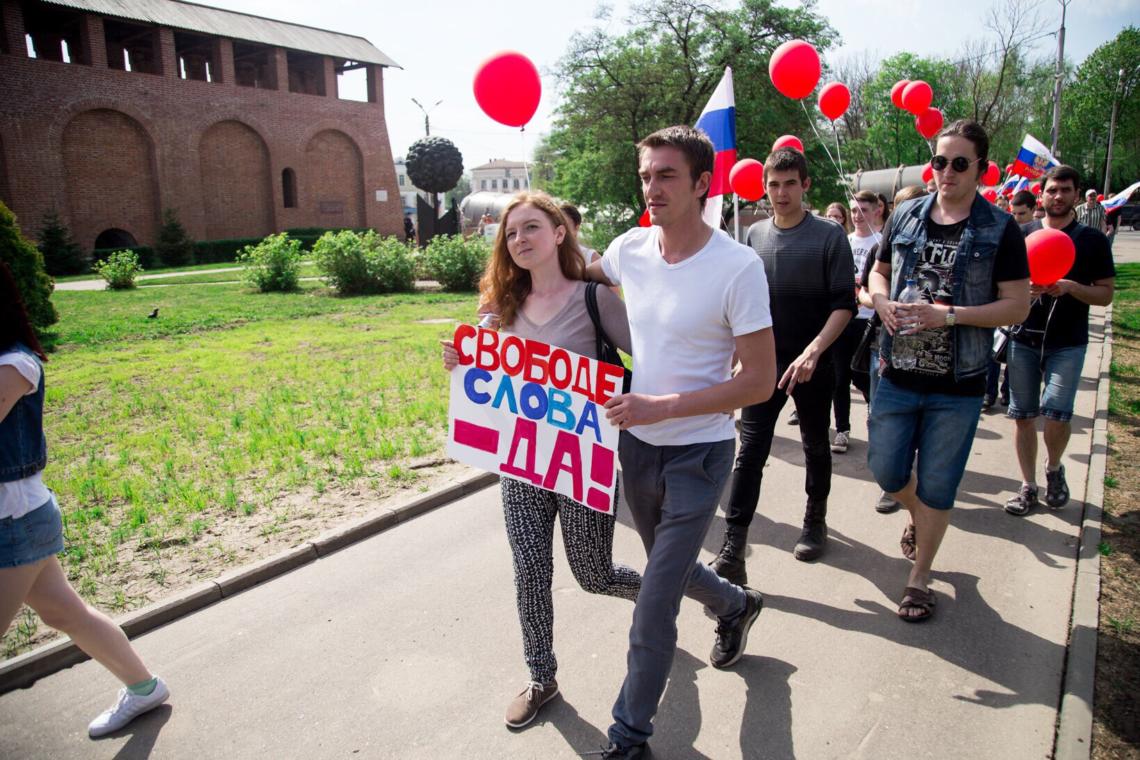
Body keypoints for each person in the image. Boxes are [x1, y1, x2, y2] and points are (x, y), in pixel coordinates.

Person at [584, 125, 776, 759]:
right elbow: (569, 279)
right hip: (637, 448)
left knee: (655, 599)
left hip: (701, 451)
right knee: (674, 567)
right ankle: (735, 603)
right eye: (645, 175)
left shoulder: (737, 266)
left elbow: (759, 381)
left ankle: (629, 737)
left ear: (702, 184)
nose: (651, 187)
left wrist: (660, 406)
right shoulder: (629, 249)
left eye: (666, 176)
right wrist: (493, 320)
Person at [440, 192, 642, 729]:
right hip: (522, 465)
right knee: (530, 572)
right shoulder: (499, 309)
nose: (519, 240)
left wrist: (631, 402)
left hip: (582, 468)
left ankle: (660, 591)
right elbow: (484, 381)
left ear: (558, 234)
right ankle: (541, 676)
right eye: (510, 234)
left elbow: (648, 363)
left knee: (594, 574)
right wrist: (461, 361)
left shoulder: (596, 300)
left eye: (531, 228)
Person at [867, 119, 1030, 622]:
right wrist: (881, 301)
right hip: (896, 373)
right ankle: (921, 516)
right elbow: (879, 270)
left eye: (960, 163)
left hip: (958, 384)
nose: (947, 171)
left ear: (981, 167)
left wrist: (951, 315)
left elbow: (1017, 306)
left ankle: (919, 579)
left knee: (938, 484)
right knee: (886, 470)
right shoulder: (906, 215)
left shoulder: (998, 228)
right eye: (939, 161)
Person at [0, 261, 170, 738]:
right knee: (62, 613)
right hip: (18, 519)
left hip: (14, 520)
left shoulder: (15, 364)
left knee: (63, 612)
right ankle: (143, 688)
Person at [709, 147, 854, 584]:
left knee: (814, 445)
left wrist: (814, 351)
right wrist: (734, 357)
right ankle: (734, 546)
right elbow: (741, 308)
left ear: (805, 185)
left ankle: (815, 519)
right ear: (764, 188)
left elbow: (843, 304)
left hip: (813, 366)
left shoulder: (829, 236)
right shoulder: (753, 237)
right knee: (750, 453)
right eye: (773, 184)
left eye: (790, 183)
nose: (781, 192)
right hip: (763, 369)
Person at [1003, 166, 1115, 516]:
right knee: (1023, 416)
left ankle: (1053, 469)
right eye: (1052, 190)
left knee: (1057, 414)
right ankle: (1028, 486)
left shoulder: (1091, 240)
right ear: (1042, 194)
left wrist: (1070, 287)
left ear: (1076, 195)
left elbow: (1106, 294)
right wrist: (1026, 291)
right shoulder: (1022, 235)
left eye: (1065, 190)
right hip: (1023, 338)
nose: (1058, 195)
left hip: (1068, 341)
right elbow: (1001, 285)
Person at [828, 190, 879, 456]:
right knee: (839, 377)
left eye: (864, 210)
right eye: (855, 211)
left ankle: (877, 425)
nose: (858, 216)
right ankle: (842, 430)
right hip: (842, 318)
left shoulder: (882, 242)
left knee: (866, 377)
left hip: (869, 321)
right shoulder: (842, 240)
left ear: (876, 211)